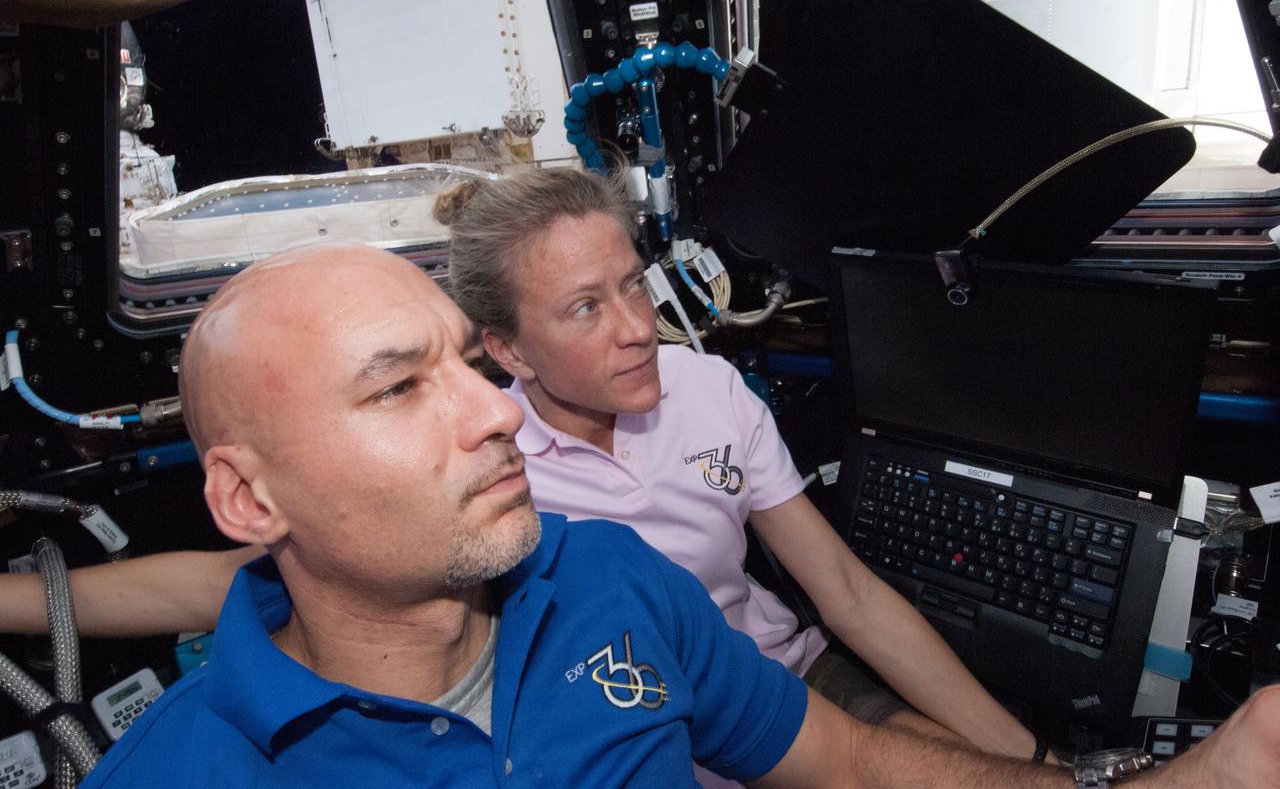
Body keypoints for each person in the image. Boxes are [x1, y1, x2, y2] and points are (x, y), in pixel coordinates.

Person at [67, 242, 1280, 787]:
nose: (492, 418)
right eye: (396, 387)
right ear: (247, 497)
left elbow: (850, 760)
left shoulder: (604, 580)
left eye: (461, 371)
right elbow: (201, 587)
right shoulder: (182, 770)